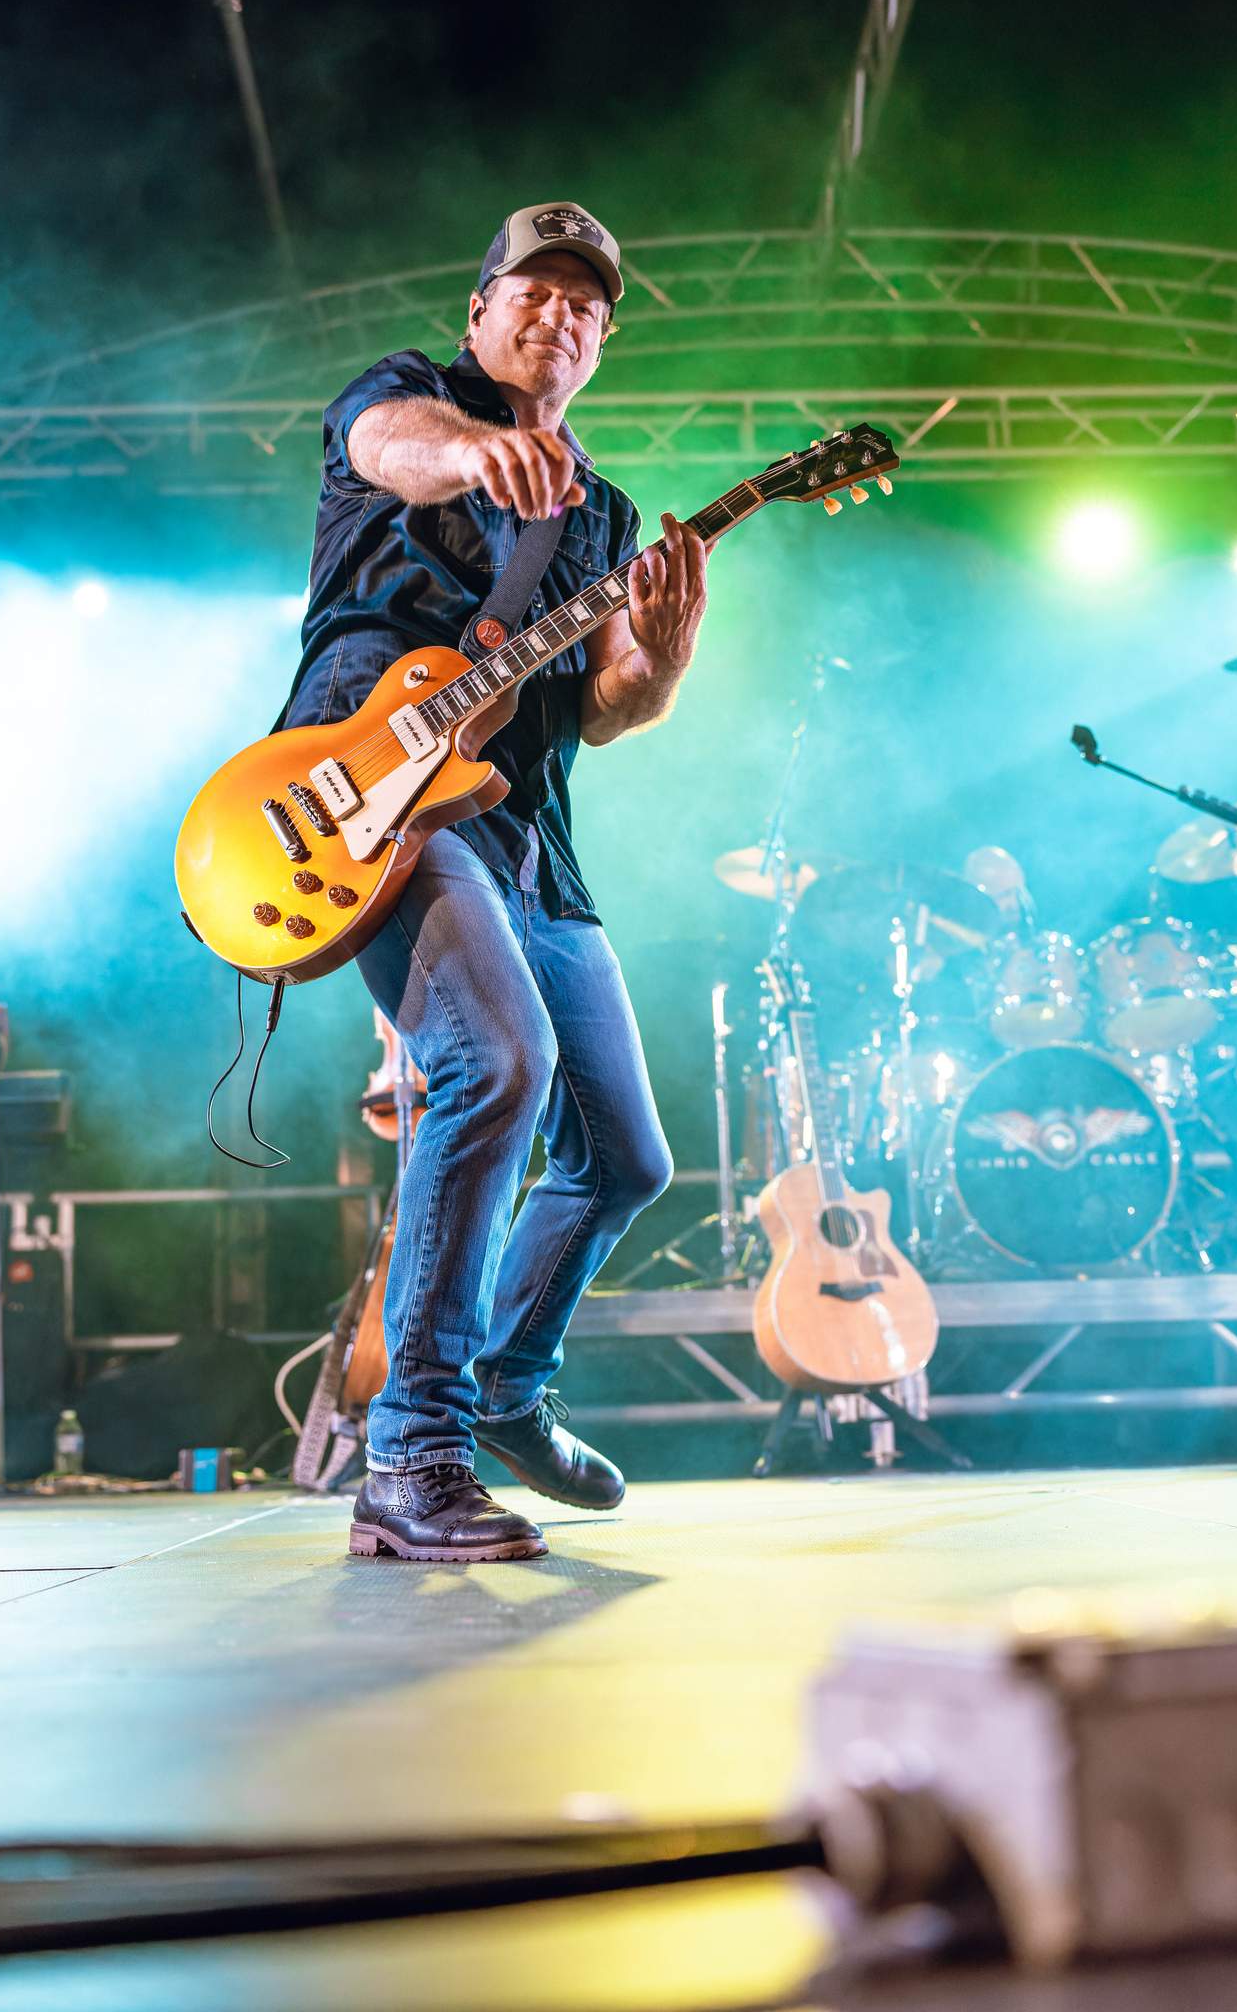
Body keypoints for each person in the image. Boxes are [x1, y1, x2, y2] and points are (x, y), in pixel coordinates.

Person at [278, 202, 708, 1562]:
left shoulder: (610, 511)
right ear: (480, 311)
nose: (558, 317)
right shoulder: (409, 397)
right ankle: (409, 1454)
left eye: (585, 305)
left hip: (525, 832)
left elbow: (604, 713)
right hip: (376, 795)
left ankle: (510, 1390)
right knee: (496, 1067)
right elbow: (390, 453)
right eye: (534, 293)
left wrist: (661, 649)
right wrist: (478, 453)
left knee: (628, 1157)